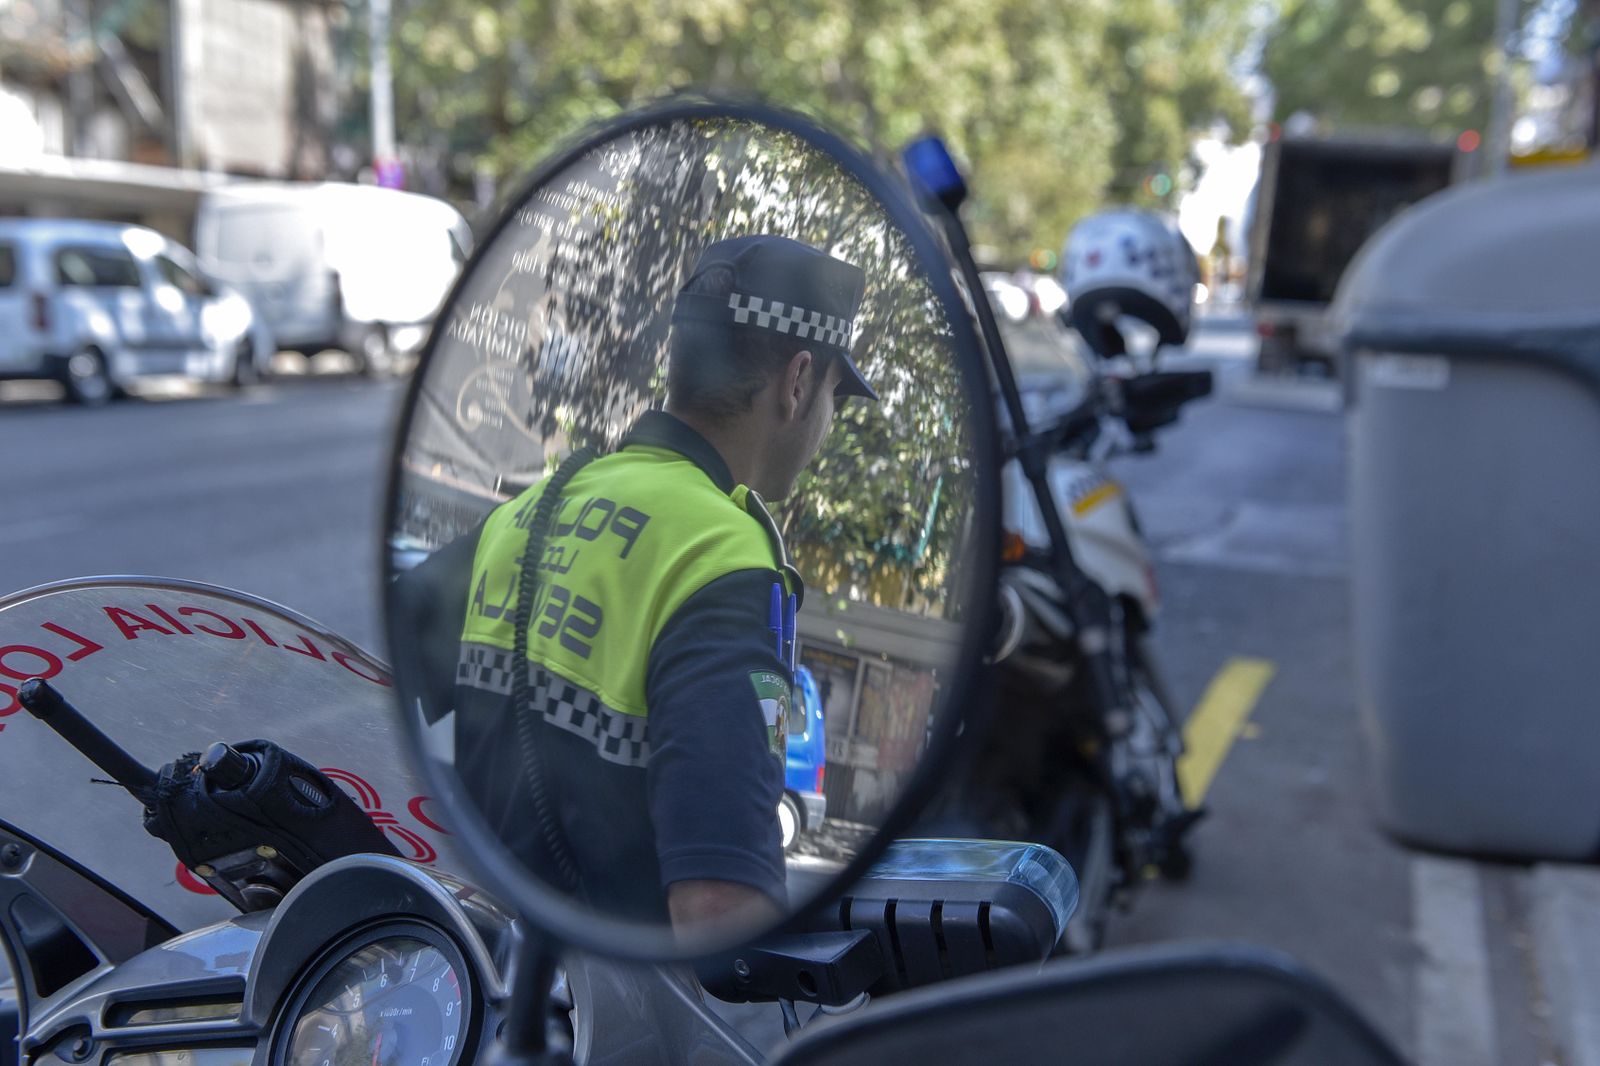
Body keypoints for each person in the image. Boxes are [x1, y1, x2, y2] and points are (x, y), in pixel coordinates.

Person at [396, 235, 877, 934]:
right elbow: (718, 904)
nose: (827, 423)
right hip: (602, 1022)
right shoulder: (725, 555)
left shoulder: (529, 512)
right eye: (835, 394)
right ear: (798, 381)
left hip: (474, 974)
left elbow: (368, 675)